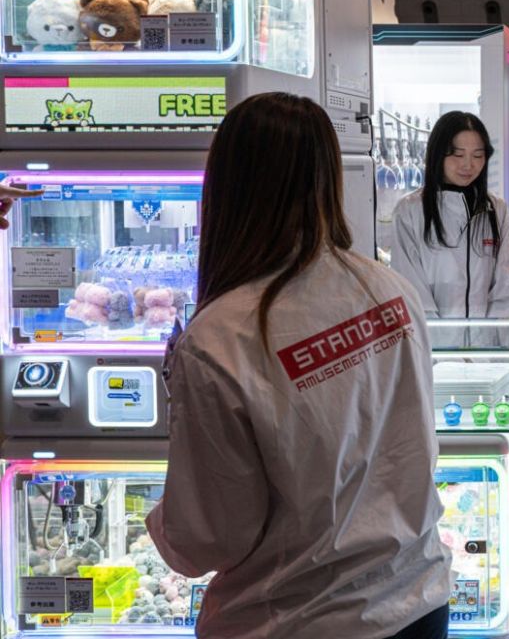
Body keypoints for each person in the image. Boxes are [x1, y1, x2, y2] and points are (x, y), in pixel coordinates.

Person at [146, 93, 452, 639]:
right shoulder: (388, 290)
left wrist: (156, 522)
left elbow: (210, 539)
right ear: (327, 178)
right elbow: (415, 447)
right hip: (416, 602)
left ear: (227, 188)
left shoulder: (220, 336)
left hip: (297, 619)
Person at [391, 111, 509, 319]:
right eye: (458, 155)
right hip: (435, 345)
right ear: (438, 154)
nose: (468, 165)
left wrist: (492, 345)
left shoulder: (496, 209)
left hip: (484, 347)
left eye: (478, 155)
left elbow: (505, 288)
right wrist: (440, 346)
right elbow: (411, 290)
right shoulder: (410, 211)